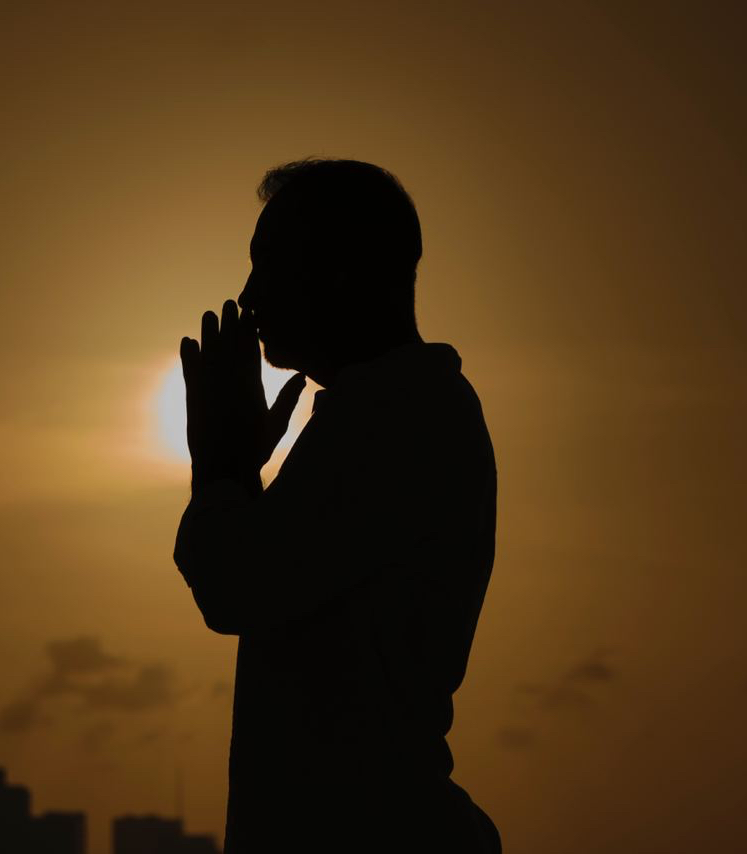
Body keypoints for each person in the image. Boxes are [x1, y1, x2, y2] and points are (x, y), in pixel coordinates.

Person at [173, 158, 501, 853]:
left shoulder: (397, 417)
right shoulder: (390, 411)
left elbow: (236, 587)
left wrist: (221, 468)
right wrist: (233, 475)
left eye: (269, 266)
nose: (249, 296)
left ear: (340, 274)